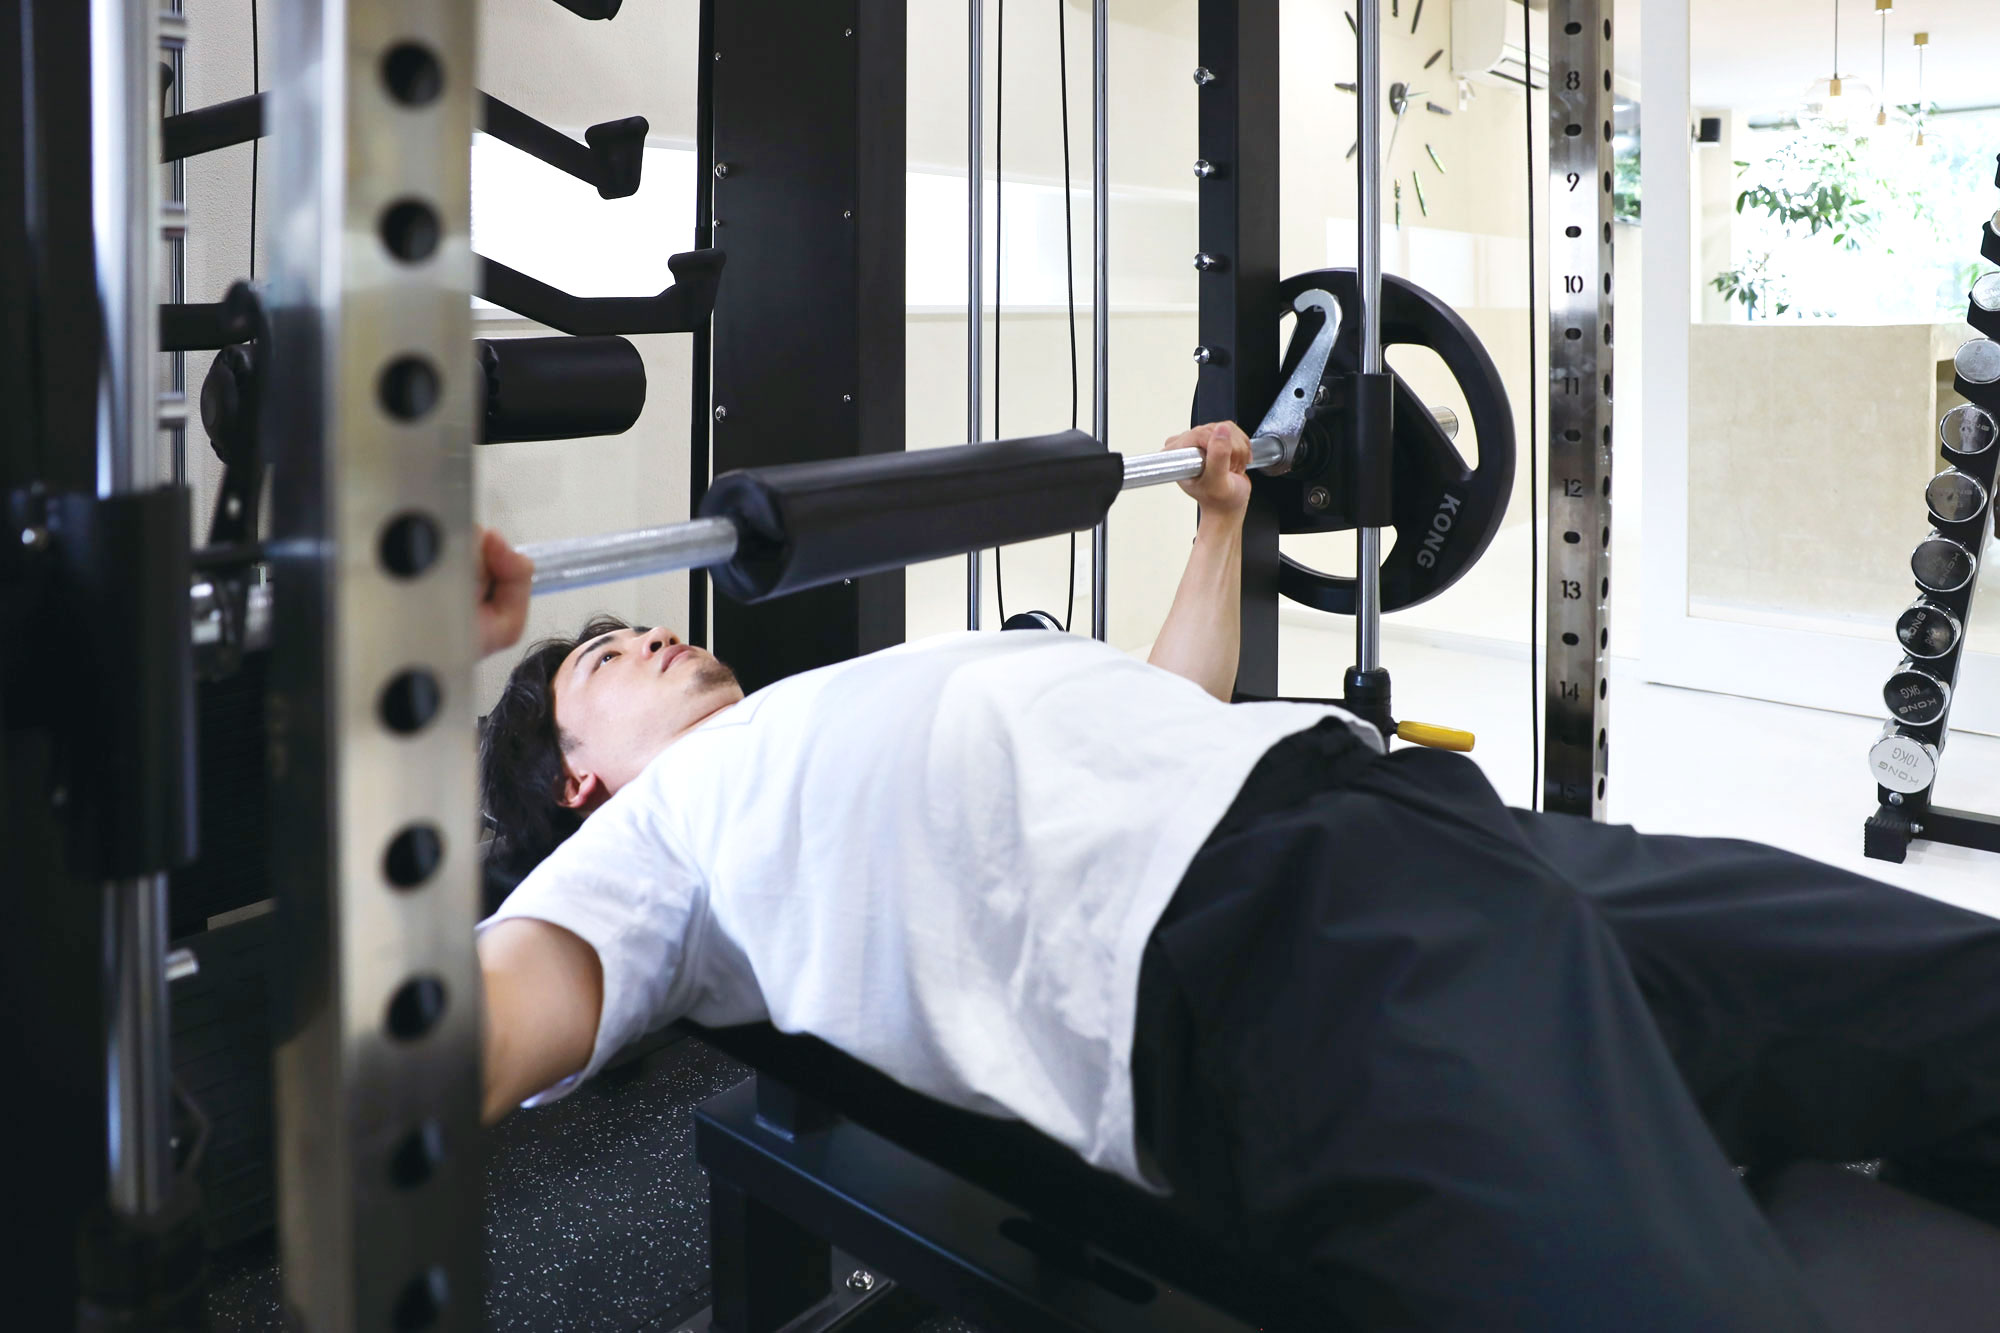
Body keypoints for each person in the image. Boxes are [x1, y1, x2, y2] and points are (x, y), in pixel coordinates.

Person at [471, 423, 2000, 1332]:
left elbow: (1168, 708)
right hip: (1293, 962)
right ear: (574, 780)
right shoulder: (644, 851)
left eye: (636, 627)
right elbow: (460, 1036)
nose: (648, 633)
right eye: (602, 661)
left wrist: (1223, 523)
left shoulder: (848, 693)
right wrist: (395, 661)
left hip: (1427, 824)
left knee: (1959, 997)